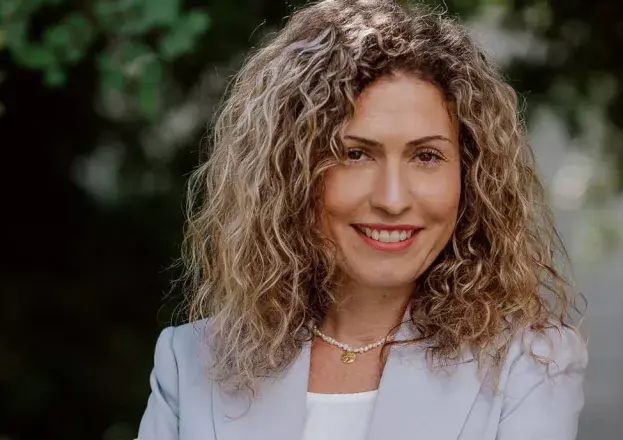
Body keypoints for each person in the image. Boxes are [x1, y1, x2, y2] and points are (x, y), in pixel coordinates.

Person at [137, 1, 588, 439]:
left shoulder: (529, 366)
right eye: (355, 154)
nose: (392, 199)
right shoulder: (190, 362)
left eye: (426, 156)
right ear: (292, 174)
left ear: (469, 176)